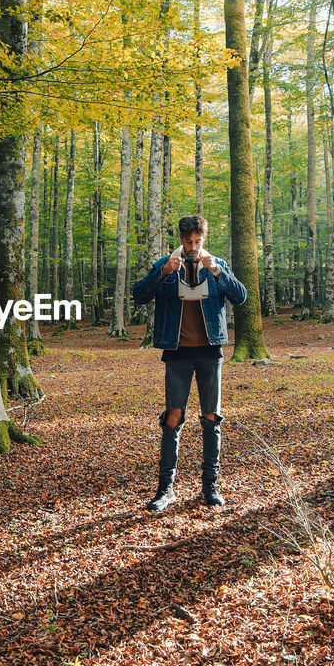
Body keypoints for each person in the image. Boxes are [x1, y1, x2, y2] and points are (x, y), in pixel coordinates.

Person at [132, 215, 247, 511]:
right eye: (188, 242)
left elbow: (240, 296)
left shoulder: (216, 264)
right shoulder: (165, 264)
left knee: (212, 419)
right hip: (177, 352)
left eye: (198, 241)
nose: (193, 247)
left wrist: (218, 271)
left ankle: (210, 487)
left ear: (203, 238)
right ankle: (165, 490)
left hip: (210, 351)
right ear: (181, 240)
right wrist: (162, 274)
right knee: (172, 420)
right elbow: (139, 295)